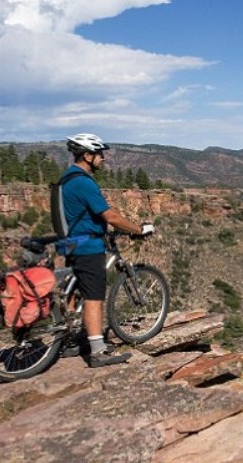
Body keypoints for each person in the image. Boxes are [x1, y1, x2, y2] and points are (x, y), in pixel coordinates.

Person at [60, 133, 155, 367]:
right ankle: (98, 351)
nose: (103, 159)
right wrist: (137, 229)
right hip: (88, 246)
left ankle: (69, 341)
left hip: (71, 243)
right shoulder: (83, 182)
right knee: (94, 297)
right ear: (87, 156)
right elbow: (110, 215)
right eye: (100, 154)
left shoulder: (67, 178)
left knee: (73, 292)